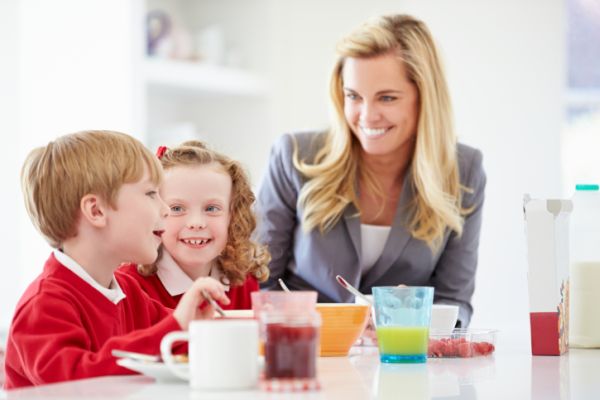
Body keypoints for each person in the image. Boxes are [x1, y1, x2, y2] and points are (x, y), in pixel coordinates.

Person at [256, 14, 486, 327]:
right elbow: (258, 282)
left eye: (387, 98)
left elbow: (454, 301)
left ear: (424, 97)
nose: (367, 116)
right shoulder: (294, 156)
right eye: (353, 96)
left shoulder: (463, 171)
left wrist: (417, 312)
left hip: (402, 360)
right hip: (306, 350)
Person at [4, 131, 229, 389]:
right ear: (96, 211)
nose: (165, 209)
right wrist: (177, 325)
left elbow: (175, 340)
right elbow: (71, 385)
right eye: (151, 193)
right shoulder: (44, 305)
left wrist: (199, 323)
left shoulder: (128, 294)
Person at [119, 141, 270, 309]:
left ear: (233, 216)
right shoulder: (129, 287)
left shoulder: (243, 280)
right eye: (176, 208)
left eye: (212, 208)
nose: (196, 223)